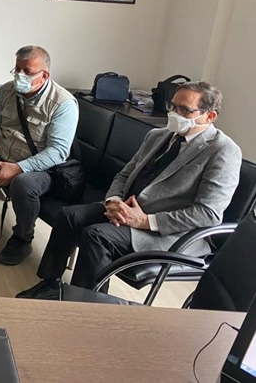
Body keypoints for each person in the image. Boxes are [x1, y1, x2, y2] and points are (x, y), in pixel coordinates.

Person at [17, 82, 241, 300]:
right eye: (173, 106)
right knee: (69, 216)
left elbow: (208, 214)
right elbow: (124, 175)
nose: (174, 113)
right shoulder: (157, 135)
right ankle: (50, 284)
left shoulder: (223, 151)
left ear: (210, 116)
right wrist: (113, 201)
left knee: (97, 236)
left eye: (184, 109)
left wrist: (145, 221)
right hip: (126, 210)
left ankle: (88, 305)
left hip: (167, 232)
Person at [0, 46, 78, 265]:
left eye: (27, 71)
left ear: (44, 75)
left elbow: (57, 152)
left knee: (23, 184)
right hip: (1, 155)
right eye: (17, 69)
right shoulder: (6, 91)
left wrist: (18, 168)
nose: (20, 75)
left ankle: (22, 239)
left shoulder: (63, 104)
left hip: (41, 168)